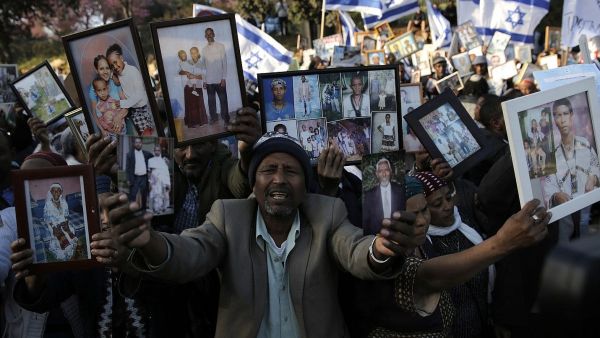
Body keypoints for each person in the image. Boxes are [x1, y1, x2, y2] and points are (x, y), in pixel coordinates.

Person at [101, 132, 430, 338]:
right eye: (268, 170)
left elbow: (355, 250)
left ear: (305, 183)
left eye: (290, 171)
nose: (279, 179)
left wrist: (382, 249)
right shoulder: (228, 216)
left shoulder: (327, 213)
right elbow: (190, 252)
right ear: (253, 182)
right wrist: (148, 241)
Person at [543, 98, 600, 206]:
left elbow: (596, 168)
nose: (562, 119)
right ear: (554, 120)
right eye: (558, 115)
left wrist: (594, 178)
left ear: (571, 115)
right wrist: (556, 196)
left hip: (592, 208)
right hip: (567, 214)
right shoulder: (552, 156)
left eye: (565, 114)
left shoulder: (585, 144)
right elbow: (549, 190)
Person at [106, 43, 155, 136]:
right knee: (139, 132)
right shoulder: (118, 73)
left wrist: (122, 103)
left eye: (115, 62)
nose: (115, 67)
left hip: (141, 108)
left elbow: (139, 96)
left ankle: (151, 147)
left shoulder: (133, 72)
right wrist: (112, 76)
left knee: (146, 133)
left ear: (121, 58)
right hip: (133, 109)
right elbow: (114, 78)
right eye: (112, 65)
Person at [362, 158, 405, 235]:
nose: (384, 174)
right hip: (376, 239)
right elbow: (366, 222)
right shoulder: (369, 195)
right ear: (377, 174)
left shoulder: (400, 191)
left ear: (391, 172)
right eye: (380, 171)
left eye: (386, 170)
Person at [88, 55, 125, 136]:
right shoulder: (94, 88)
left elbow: (126, 104)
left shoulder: (116, 81)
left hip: (121, 123)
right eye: (101, 69)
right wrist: (102, 130)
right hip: (108, 130)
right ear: (97, 70)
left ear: (110, 69)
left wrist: (118, 117)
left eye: (107, 68)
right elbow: (95, 113)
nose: (105, 71)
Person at [201, 28, 229, 124]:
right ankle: (213, 118)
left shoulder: (221, 46)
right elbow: (204, 66)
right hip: (209, 81)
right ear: (205, 36)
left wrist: (223, 78)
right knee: (211, 101)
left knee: (223, 100)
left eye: (210, 34)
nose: (209, 36)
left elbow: (224, 63)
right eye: (207, 34)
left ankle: (226, 119)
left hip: (219, 79)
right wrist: (204, 80)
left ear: (214, 34)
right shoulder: (204, 50)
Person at [43, 183, 78, 261]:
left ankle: (71, 250)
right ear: (51, 192)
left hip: (62, 221)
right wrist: (53, 227)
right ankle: (67, 252)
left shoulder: (64, 203)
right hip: (52, 223)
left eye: (58, 191)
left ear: (61, 192)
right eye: (54, 191)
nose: (56, 193)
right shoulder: (48, 204)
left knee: (70, 230)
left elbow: (66, 215)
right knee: (59, 234)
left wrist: (66, 222)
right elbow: (47, 218)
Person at [179, 47, 208, 128]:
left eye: (195, 52)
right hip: (188, 86)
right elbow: (180, 71)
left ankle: (201, 121)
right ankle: (192, 123)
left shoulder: (202, 63)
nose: (193, 54)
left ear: (198, 53)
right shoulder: (188, 62)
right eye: (191, 53)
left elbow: (203, 76)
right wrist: (186, 72)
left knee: (199, 104)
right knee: (191, 106)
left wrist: (193, 76)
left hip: (198, 86)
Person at [126, 137, 152, 209]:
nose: (138, 144)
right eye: (136, 142)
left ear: (141, 144)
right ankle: (132, 210)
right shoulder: (129, 155)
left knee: (144, 194)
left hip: (144, 177)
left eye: (139, 142)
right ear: (134, 144)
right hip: (134, 177)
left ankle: (143, 209)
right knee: (133, 194)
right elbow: (127, 168)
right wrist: (128, 179)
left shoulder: (147, 153)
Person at [148, 145, 171, 214]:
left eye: (158, 150)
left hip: (164, 179)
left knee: (165, 195)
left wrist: (168, 183)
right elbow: (149, 172)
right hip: (154, 180)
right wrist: (149, 182)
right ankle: (156, 209)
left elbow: (166, 172)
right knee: (155, 195)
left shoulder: (164, 160)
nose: (157, 152)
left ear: (160, 151)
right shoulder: (150, 160)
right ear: (154, 151)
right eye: (156, 150)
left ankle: (163, 208)